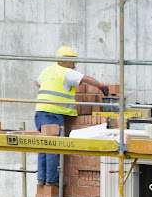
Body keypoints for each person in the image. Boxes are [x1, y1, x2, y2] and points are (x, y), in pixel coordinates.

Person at [34, 46, 109, 186]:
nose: (74, 66)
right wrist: (101, 86)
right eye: (73, 62)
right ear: (66, 61)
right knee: (53, 146)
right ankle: (52, 180)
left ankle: (41, 179)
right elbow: (86, 78)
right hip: (53, 113)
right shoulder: (66, 73)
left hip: (40, 112)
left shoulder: (47, 70)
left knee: (43, 145)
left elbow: (37, 83)